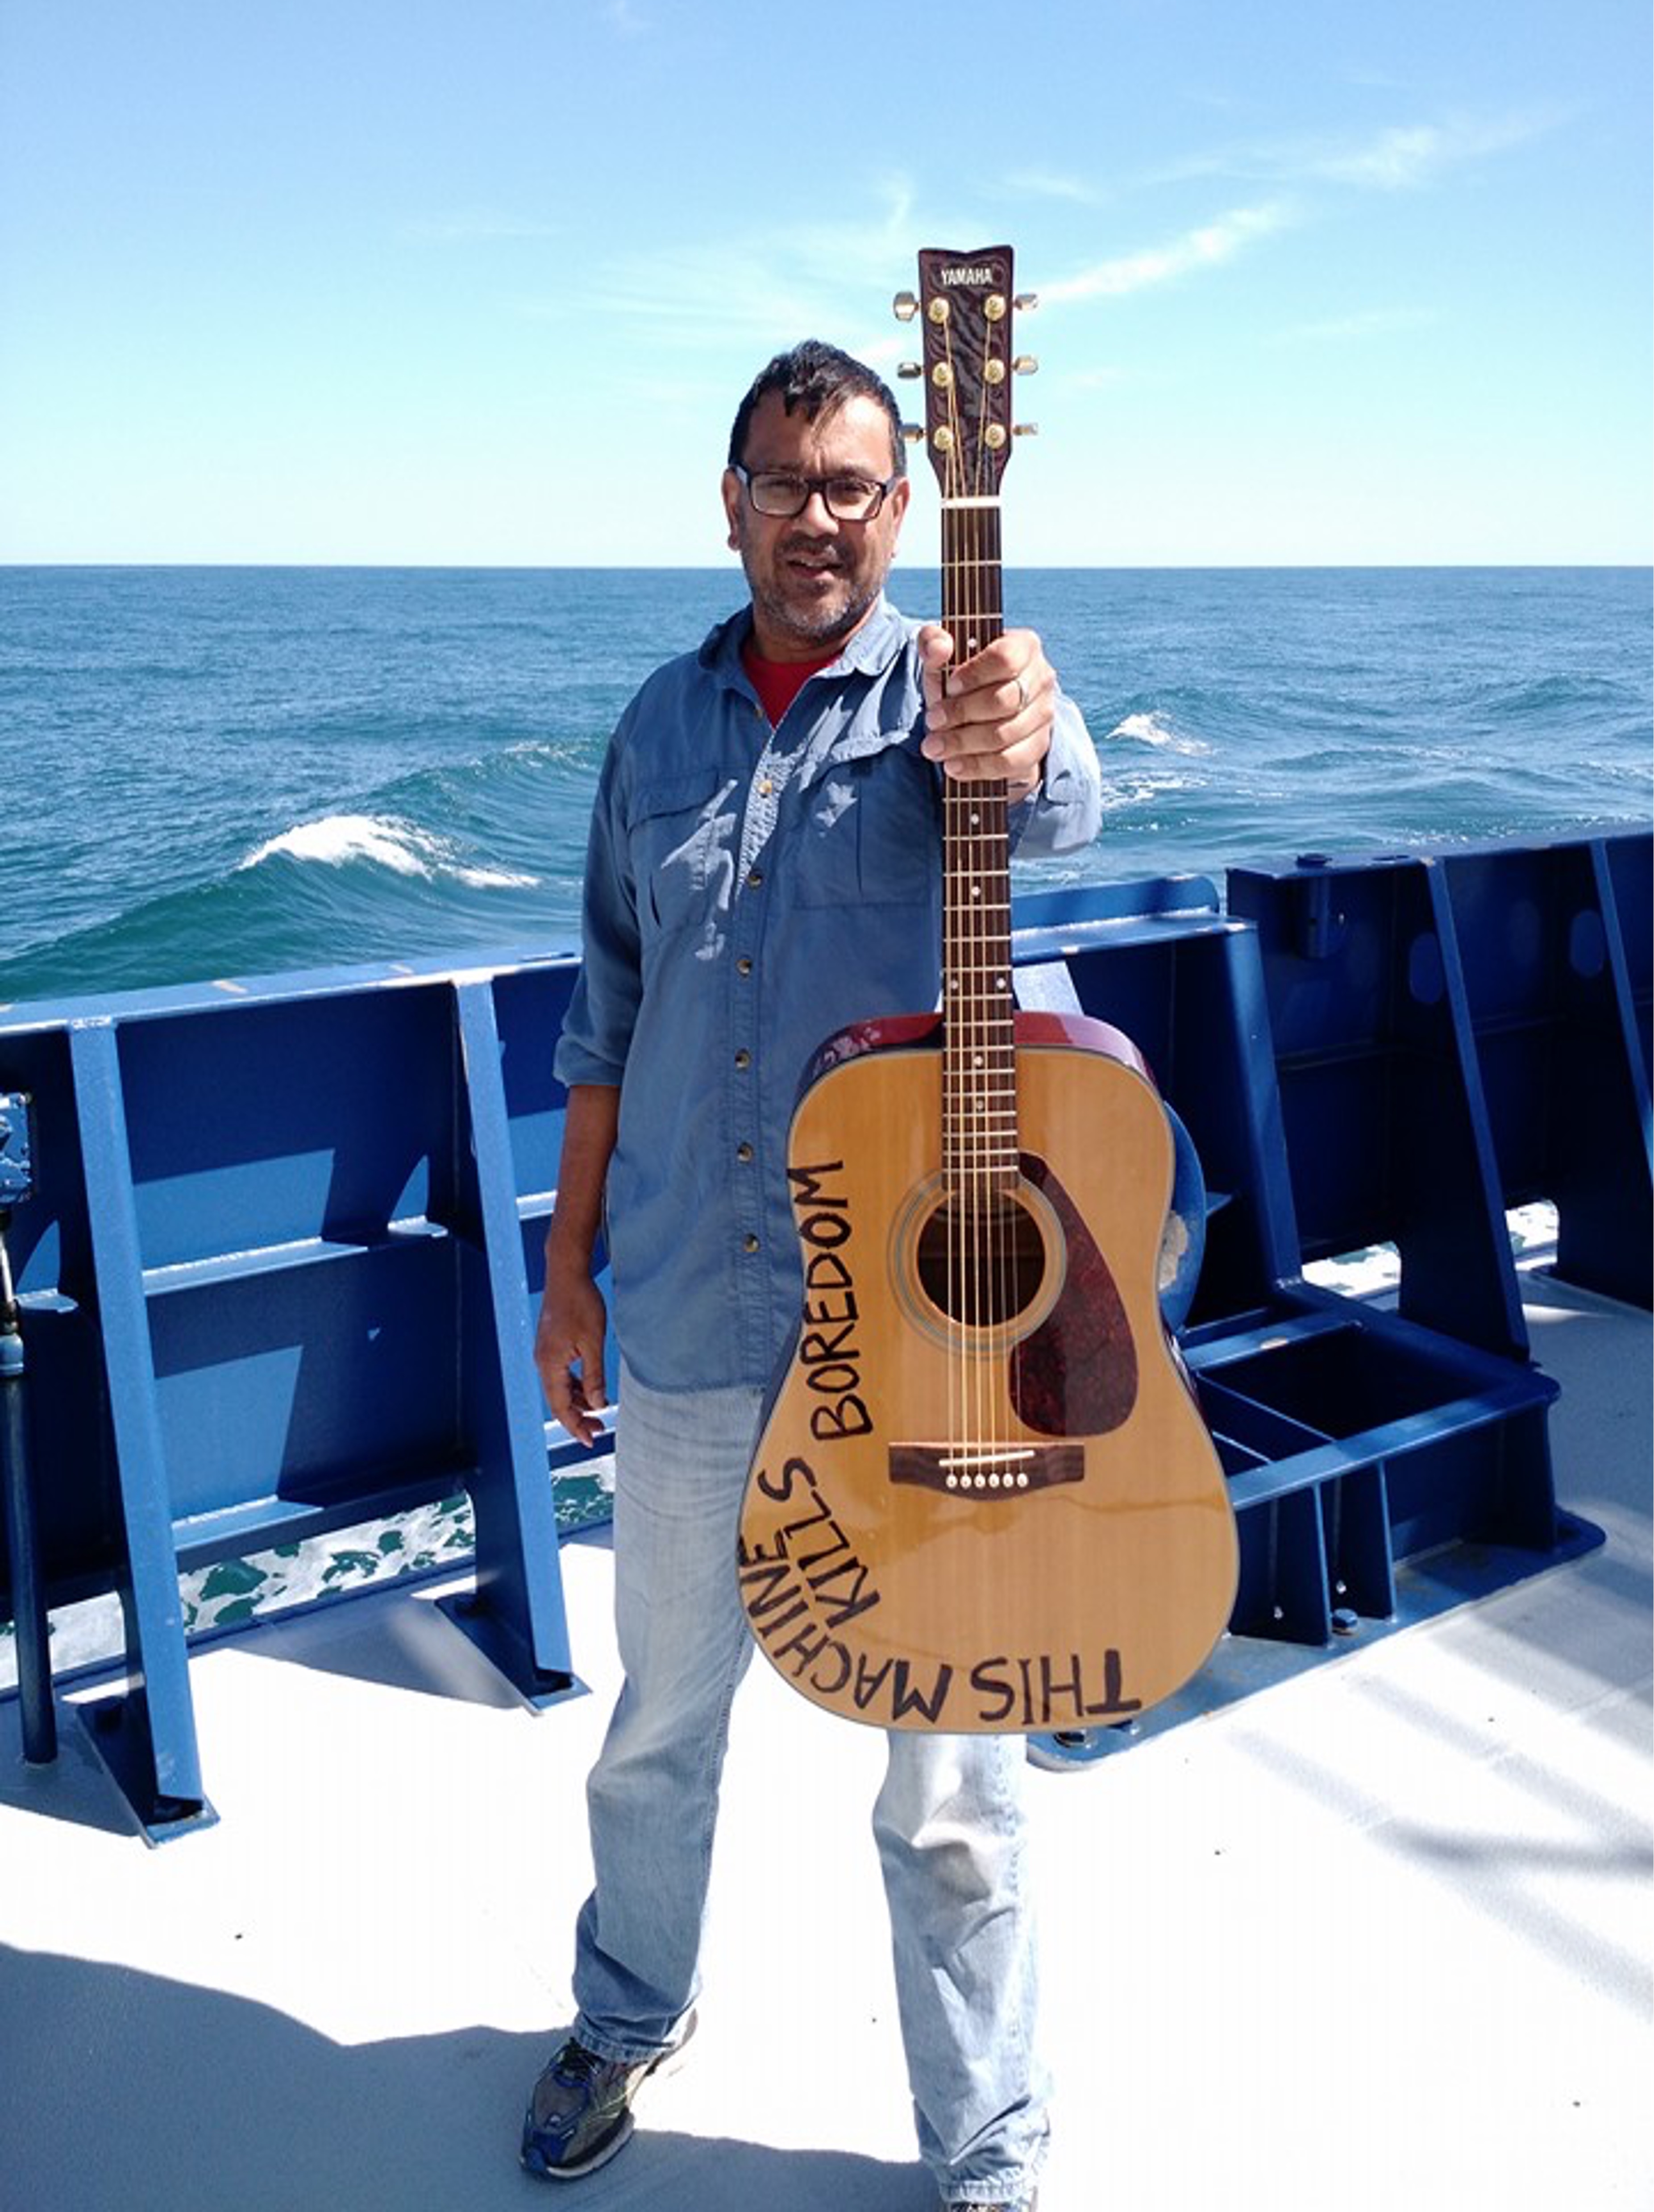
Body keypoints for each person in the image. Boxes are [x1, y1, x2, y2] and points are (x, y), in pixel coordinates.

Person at [523, 337, 1102, 2208]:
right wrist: (568, 1269)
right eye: (782, 481)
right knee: (661, 1720)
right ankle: (627, 2014)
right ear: (729, 501)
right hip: (690, 1300)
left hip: (924, 1341)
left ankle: (987, 2142)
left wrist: (1030, 709)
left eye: (851, 484)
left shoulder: (956, 692)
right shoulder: (656, 728)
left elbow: (1060, 799)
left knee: (954, 1780)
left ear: (902, 505)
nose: (815, 518)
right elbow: (605, 1017)